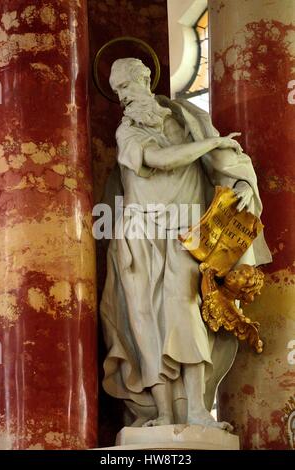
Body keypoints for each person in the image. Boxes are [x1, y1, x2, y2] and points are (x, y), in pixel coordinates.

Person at [100, 58, 272, 430]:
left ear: (144, 79)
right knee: (144, 324)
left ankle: (195, 408)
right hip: (140, 239)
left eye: (126, 87)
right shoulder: (126, 132)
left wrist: (241, 183)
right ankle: (162, 412)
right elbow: (160, 160)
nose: (123, 98)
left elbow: (222, 160)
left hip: (189, 238)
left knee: (185, 309)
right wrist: (212, 142)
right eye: (117, 93)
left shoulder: (185, 116)